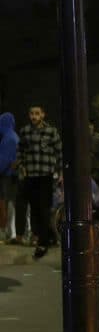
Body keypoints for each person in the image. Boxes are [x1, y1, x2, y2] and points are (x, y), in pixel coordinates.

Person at [16, 105, 62, 259]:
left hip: (46, 176)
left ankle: (43, 242)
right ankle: (45, 237)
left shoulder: (51, 131)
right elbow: (20, 150)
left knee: (44, 208)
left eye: (37, 113)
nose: (34, 116)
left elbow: (59, 151)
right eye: (31, 114)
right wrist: (21, 165)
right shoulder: (25, 131)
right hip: (31, 176)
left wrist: (61, 171)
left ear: (43, 114)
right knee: (35, 208)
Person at [0, 111, 17, 242]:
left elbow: (4, 160)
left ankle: (11, 233)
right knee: (11, 203)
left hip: (10, 177)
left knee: (10, 203)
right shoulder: (13, 136)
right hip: (13, 176)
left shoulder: (8, 138)